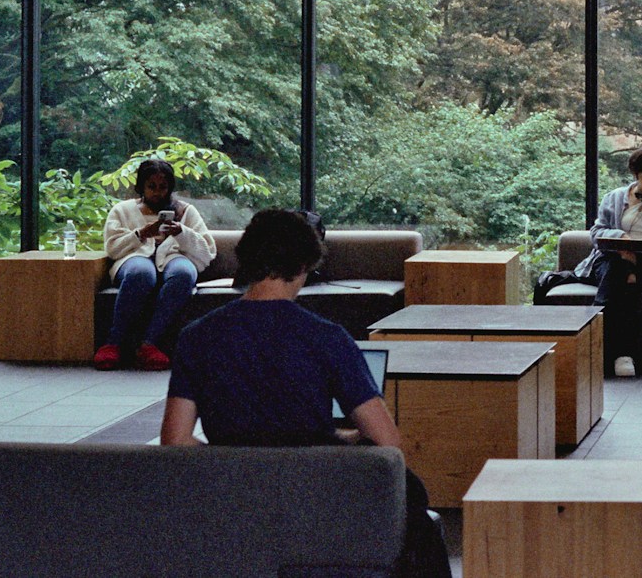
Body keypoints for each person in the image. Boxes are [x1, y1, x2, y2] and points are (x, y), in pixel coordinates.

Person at [161, 209, 448, 578]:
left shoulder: (196, 336)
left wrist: (233, 459)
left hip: (232, 505)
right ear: (305, 264)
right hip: (316, 502)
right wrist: (338, 440)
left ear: (246, 260)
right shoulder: (327, 337)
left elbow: (175, 440)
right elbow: (387, 443)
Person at [574, 146, 642, 377]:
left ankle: (595, 345)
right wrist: (620, 238)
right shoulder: (615, 197)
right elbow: (597, 233)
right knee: (623, 273)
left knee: (628, 277)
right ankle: (624, 355)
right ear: (636, 175)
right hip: (611, 258)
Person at [93, 159, 215, 371]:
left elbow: (207, 252)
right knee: (141, 273)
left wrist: (182, 233)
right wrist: (140, 234)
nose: (157, 193)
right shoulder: (122, 211)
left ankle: (149, 343)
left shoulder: (186, 212)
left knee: (184, 274)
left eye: (163, 187)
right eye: (152, 187)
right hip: (133, 259)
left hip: (174, 257)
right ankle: (114, 342)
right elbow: (112, 248)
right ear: (141, 186)